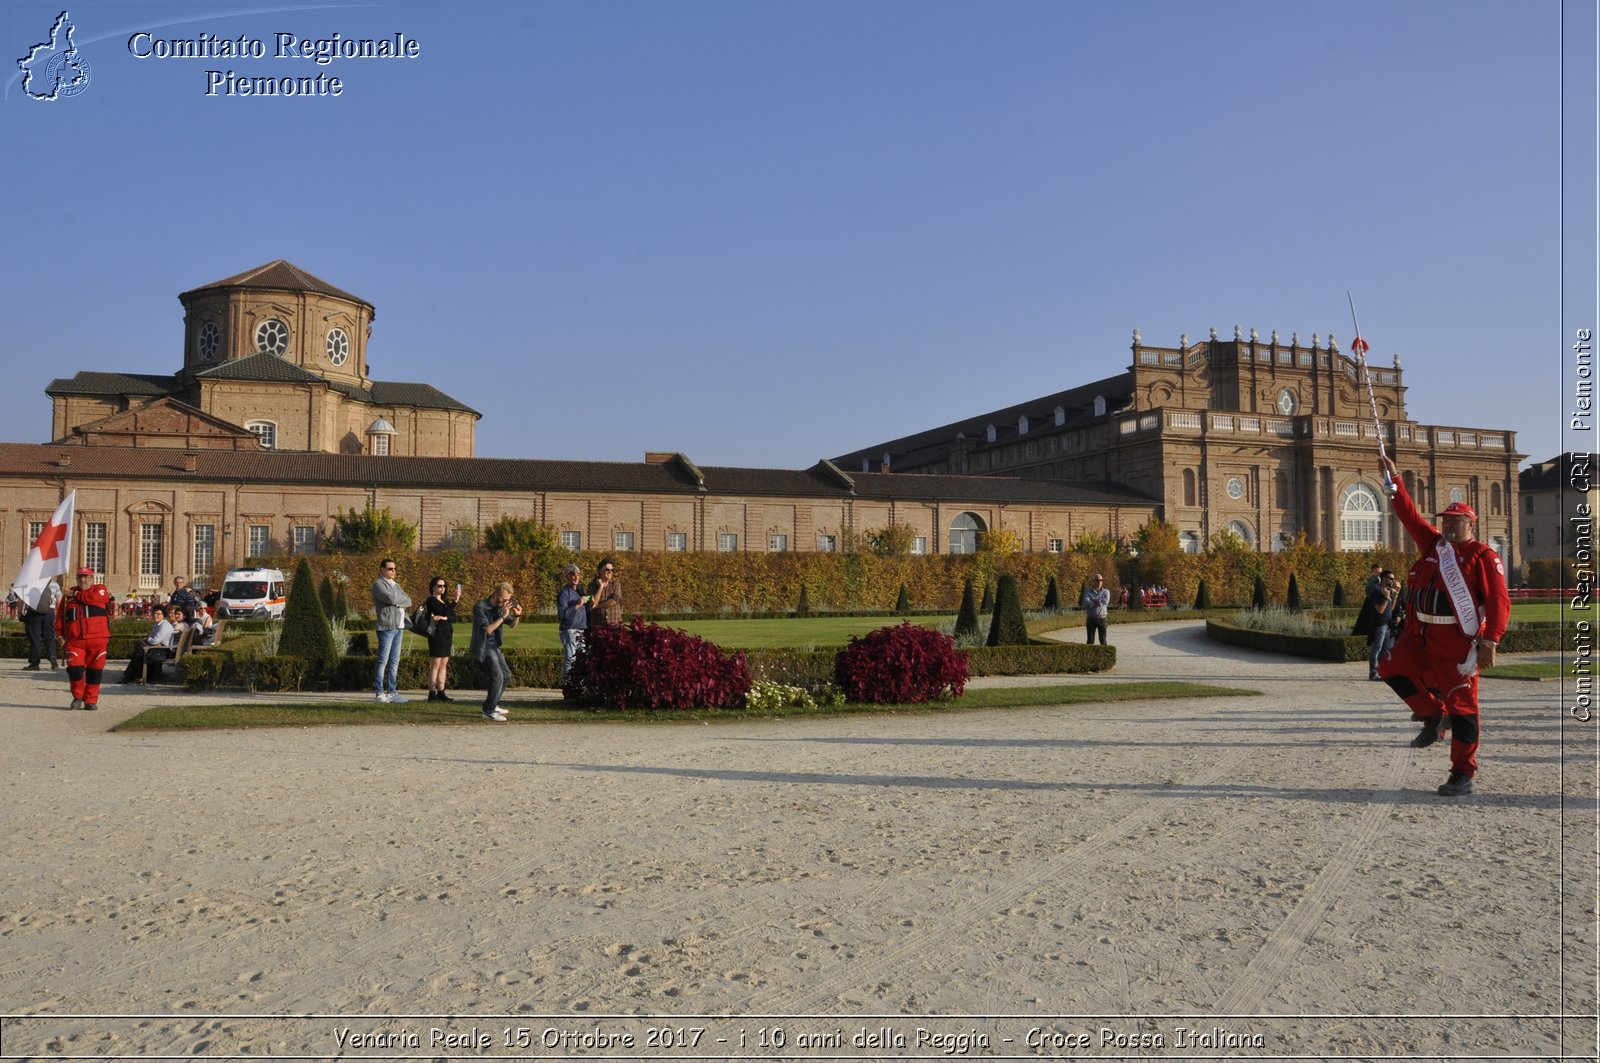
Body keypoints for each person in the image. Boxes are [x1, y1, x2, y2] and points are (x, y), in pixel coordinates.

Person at [1376, 454, 1510, 797]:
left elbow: (1499, 601)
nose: (1449, 525)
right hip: (1418, 635)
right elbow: (1408, 515)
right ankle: (1433, 715)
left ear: (1471, 523)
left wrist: (1491, 641)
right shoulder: (1435, 544)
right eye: (1446, 520)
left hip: (1454, 641)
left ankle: (1463, 772)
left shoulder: (1482, 555)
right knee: (1390, 668)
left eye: (1456, 521)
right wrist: (1394, 482)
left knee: (1464, 707)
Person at [57, 566, 112, 709]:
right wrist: (60, 635)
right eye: (80, 577)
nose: (83, 579)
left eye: (86, 577)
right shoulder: (68, 597)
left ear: (92, 579)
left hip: (98, 640)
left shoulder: (100, 589)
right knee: (74, 670)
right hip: (75, 641)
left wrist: (75, 594)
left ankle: (91, 700)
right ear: (76, 578)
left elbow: (92, 598)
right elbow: (60, 617)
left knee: (95, 672)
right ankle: (77, 696)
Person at [470, 581, 522, 722]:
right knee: (497, 676)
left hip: (494, 647)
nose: (506, 602)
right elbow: (488, 630)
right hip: (484, 646)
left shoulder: (500, 607)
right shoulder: (481, 606)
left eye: (508, 600)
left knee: (506, 675)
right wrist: (503, 616)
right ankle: (488, 711)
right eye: (504, 599)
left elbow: (512, 625)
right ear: (495, 594)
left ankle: (493, 704)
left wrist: (517, 616)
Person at [371, 559, 412, 704]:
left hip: (399, 627)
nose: (393, 571)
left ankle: (392, 692)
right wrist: (397, 599)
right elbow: (389, 598)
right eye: (390, 569)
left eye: (395, 568)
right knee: (383, 661)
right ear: (382, 570)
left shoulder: (396, 585)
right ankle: (379, 693)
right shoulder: (378, 584)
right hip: (387, 627)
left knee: (394, 661)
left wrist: (397, 600)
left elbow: (409, 600)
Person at [421, 575, 460, 702]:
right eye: (439, 586)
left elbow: (453, 617)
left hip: (447, 635)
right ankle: (432, 692)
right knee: (435, 664)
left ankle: (441, 691)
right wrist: (455, 601)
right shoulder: (431, 600)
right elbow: (444, 612)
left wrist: (445, 618)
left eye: (444, 586)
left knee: (444, 664)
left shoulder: (446, 602)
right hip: (436, 635)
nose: (442, 588)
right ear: (433, 587)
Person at [121, 605, 176, 684]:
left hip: (164, 650)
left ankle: (135, 676)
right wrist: (151, 640)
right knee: (138, 650)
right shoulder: (157, 624)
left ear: (163, 615)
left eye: (158, 614)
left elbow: (154, 640)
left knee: (139, 648)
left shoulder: (165, 626)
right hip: (158, 648)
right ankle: (134, 676)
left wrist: (149, 640)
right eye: (154, 613)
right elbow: (152, 639)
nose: (155, 615)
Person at [556, 563, 591, 686]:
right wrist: (577, 605)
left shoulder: (580, 591)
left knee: (581, 661)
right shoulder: (564, 593)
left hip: (581, 629)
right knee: (570, 660)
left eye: (578, 574)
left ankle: (578, 686)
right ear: (567, 576)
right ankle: (568, 687)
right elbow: (561, 614)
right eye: (572, 574)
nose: (576, 576)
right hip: (570, 630)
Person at [21, 577, 62, 670]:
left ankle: (34, 663)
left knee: (34, 639)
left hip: (33, 613)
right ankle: (53, 660)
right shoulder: (54, 585)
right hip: (49, 612)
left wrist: (20, 613)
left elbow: (22, 599)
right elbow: (59, 601)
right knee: (50, 637)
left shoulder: (30, 583)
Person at [1366, 569, 1399, 680]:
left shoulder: (1388, 590)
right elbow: (1380, 610)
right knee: (1377, 649)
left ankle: (1382, 672)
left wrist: (1394, 596)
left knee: (1385, 650)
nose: (1393, 581)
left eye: (1393, 579)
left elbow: (1392, 608)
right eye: (1391, 578)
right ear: (1385, 578)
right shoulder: (1377, 590)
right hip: (1379, 624)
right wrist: (1385, 597)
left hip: (1388, 623)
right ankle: (1373, 673)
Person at [588, 558, 623, 628]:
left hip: (615, 625)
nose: (610, 572)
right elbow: (592, 603)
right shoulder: (592, 585)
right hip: (598, 626)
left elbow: (614, 600)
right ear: (600, 570)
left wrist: (597, 606)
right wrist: (600, 587)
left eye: (612, 570)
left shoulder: (615, 584)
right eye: (607, 569)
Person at [1081, 573, 1110, 645]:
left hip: (1102, 619)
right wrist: (1097, 602)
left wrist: (1092, 601)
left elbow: (1105, 602)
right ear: (1093, 581)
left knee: (1103, 640)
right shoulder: (1088, 591)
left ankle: (1105, 656)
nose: (1099, 582)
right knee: (1090, 641)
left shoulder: (1106, 591)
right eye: (1097, 580)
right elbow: (1086, 602)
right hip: (1091, 619)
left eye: (1101, 580)